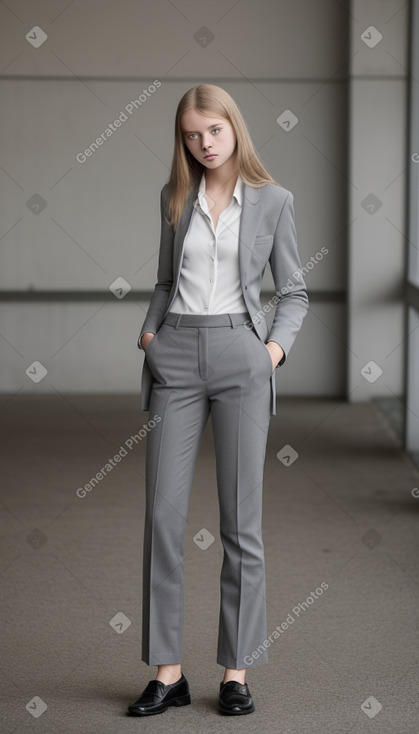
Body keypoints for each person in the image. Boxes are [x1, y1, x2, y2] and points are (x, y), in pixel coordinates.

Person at [127, 83, 309, 717]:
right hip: (175, 351)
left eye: (214, 131)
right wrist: (150, 333)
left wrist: (272, 354)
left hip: (241, 355)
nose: (203, 144)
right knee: (162, 518)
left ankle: (235, 672)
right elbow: (161, 279)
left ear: (235, 128)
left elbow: (294, 291)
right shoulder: (174, 197)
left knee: (241, 523)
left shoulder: (274, 201)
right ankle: (167, 671)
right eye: (190, 134)